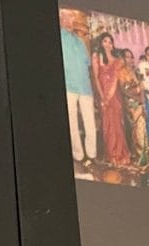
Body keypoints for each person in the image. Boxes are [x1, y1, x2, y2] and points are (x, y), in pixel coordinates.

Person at [60, 10, 97, 167]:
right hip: (68, 86)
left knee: (90, 122)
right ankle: (78, 155)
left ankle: (92, 154)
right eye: (66, 18)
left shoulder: (80, 41)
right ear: (60, 20)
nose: (70, 21)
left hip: (85, 87)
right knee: (72, 123)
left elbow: (87, 63)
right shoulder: (59, 37)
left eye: (71, 18)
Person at [92, 32, 131, 166]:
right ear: (101, 43)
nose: (108, 44)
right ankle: (112, 155)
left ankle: (122, 154)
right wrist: (103, 97)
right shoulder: (97, 57)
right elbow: (96, 78)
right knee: (108, 125)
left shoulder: (117, 60)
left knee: (118, 124)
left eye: (110, 41)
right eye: (105, 41)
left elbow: (121, 79)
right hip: (104, 95)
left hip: (116, 96)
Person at [118, 48, 149, 167]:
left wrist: (142, 101)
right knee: (136, 131)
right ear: (122, 58)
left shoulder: (137, 71)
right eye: (127, 57)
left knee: (143, 130)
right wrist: (136, 99)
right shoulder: (121, 72)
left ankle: (147, 158)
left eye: (131, 57)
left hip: (140, 103)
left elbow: (142, 87)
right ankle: (139, 158)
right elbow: (123, 90)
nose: (130, 59)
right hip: (131, 105)